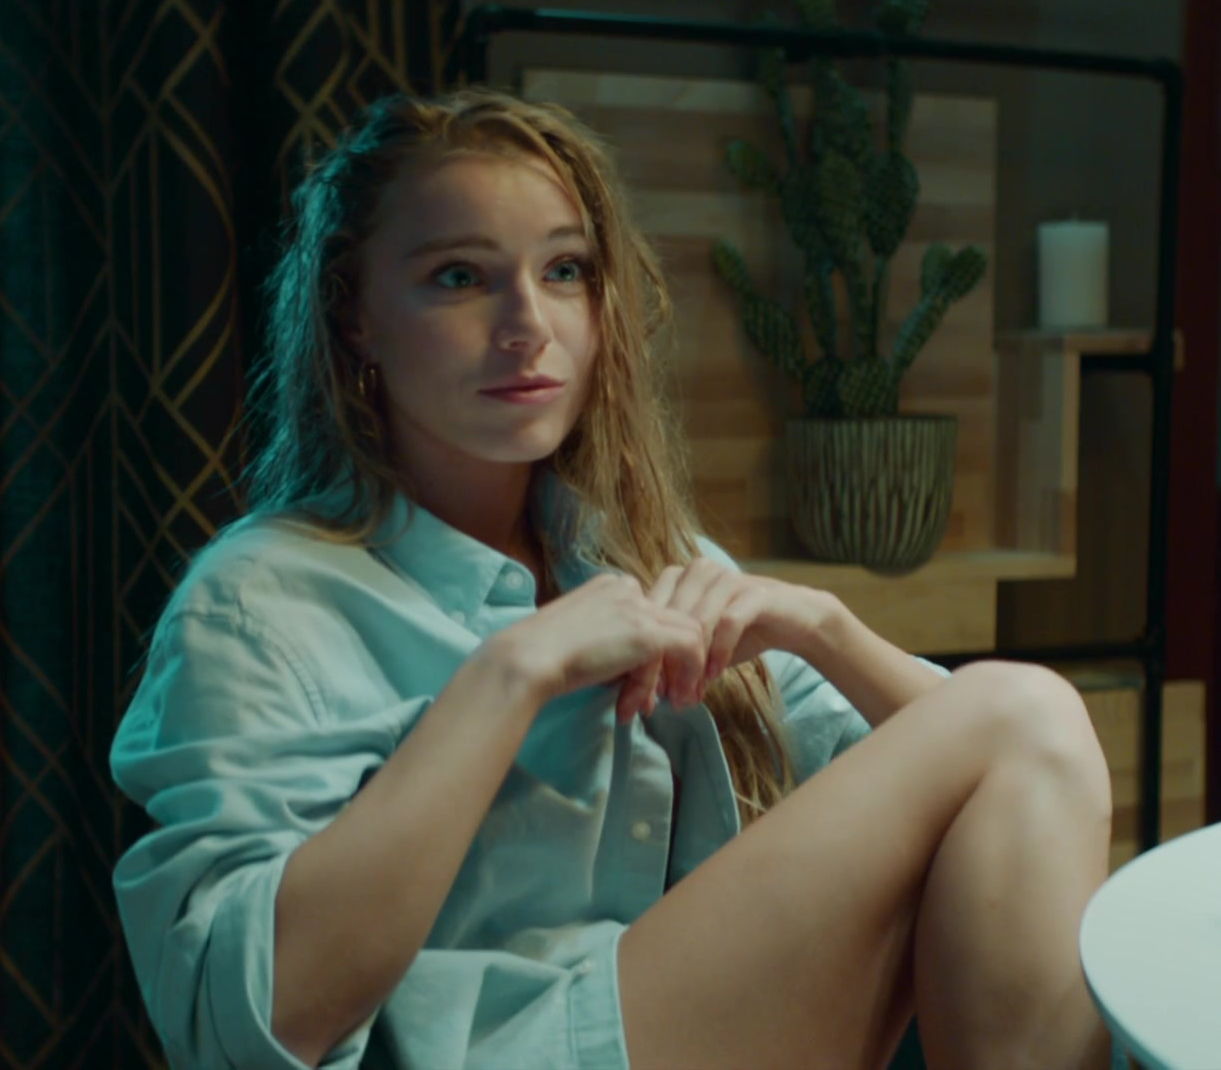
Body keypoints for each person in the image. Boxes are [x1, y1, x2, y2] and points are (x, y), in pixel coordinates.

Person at [110, 87, 1114, 1070]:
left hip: (676, 1024)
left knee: (1032, 717)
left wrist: (824, 627)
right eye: (459, 277)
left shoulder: (640, 554)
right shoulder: (261, 599)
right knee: (1023, 707)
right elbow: (250, 1023)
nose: (527, 323)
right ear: (353, 317)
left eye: (564, 271)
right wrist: (511, 675)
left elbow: (1006, 780)